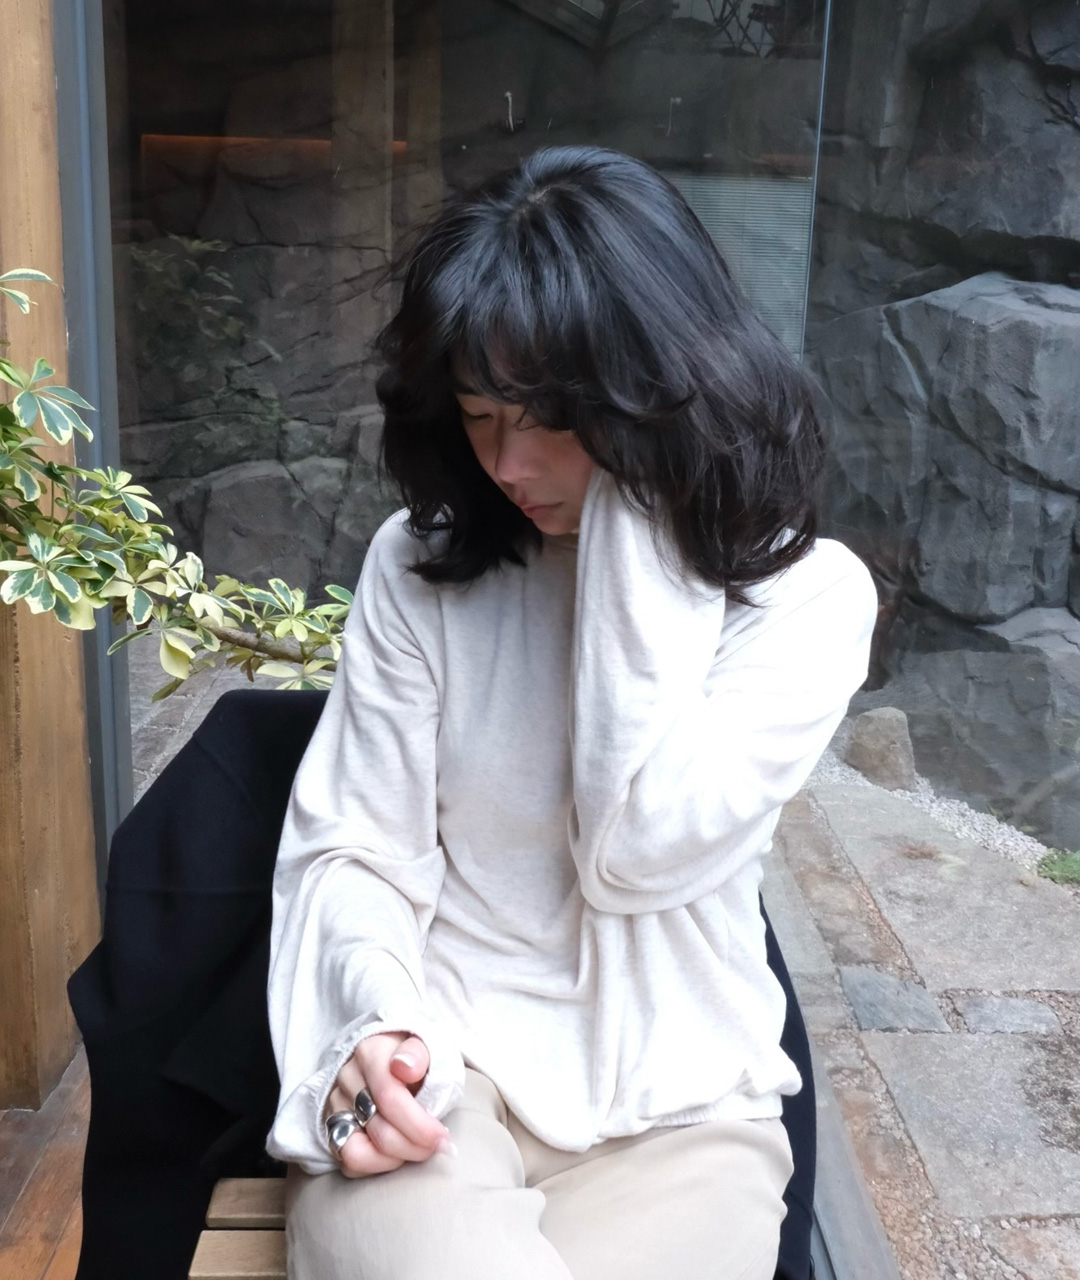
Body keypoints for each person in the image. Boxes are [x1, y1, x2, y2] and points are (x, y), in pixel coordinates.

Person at [265, 144, 878, 1280]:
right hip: (445, 1072)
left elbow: (634, 848)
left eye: (551, 417)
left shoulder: (806, 600)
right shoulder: (419, 569)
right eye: (479, 413)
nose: (508, 462)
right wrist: (378, 1021)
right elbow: (355, 844)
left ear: (657, 389)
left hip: (686, 1106)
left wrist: (645, 509)